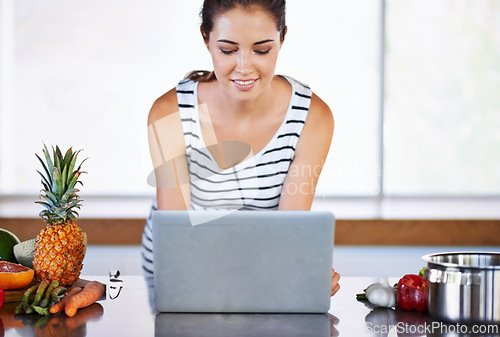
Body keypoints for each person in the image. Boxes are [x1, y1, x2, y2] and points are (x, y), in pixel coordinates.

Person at [142, 0, 340, 296]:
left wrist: (302, 272)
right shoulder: (170, 112)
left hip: (258, 277)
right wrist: (279, 271)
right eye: (227, 50)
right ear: (205, 39)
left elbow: (287, 234)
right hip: (178, 279)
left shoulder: (311, 117)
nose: (245, 67)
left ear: (282, 38)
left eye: (262, 50)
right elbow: (177, 242)